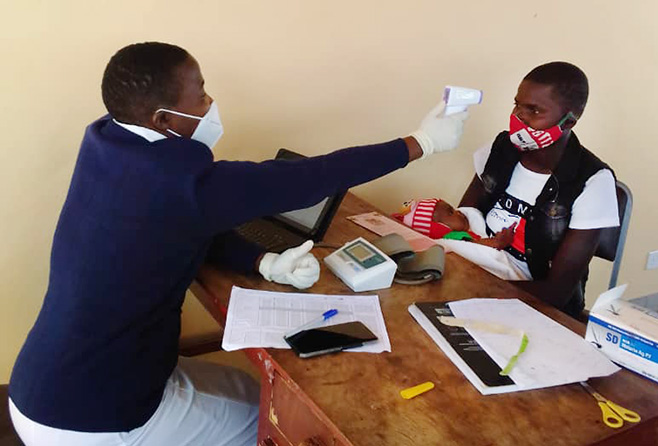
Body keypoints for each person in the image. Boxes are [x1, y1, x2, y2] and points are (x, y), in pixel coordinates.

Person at [8, 42, 469, 446]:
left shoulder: (108, 145)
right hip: (94, 418)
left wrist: (262, 260)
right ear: (164, 119)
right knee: (281, 425)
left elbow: (176, 225)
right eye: (202, 95)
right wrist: (421, 142)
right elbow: (310, 178)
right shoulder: (183, 185)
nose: (211, 103)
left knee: (257, 391)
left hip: (47, 383)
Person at [458, 62, 619, 318]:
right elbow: (462, 220)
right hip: (474, 274)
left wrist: (474, 289)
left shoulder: (592, 181)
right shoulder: (499, 149)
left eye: (533, 110)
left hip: (533, 306)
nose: (518, 117)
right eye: (517, 105)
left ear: (570, 121)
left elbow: (557, 293)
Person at [392, 198, 514, 249]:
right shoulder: (452, 237)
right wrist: (497, 242)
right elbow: (474, 245)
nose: (459, 212)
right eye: (451, 212)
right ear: (439, 228)